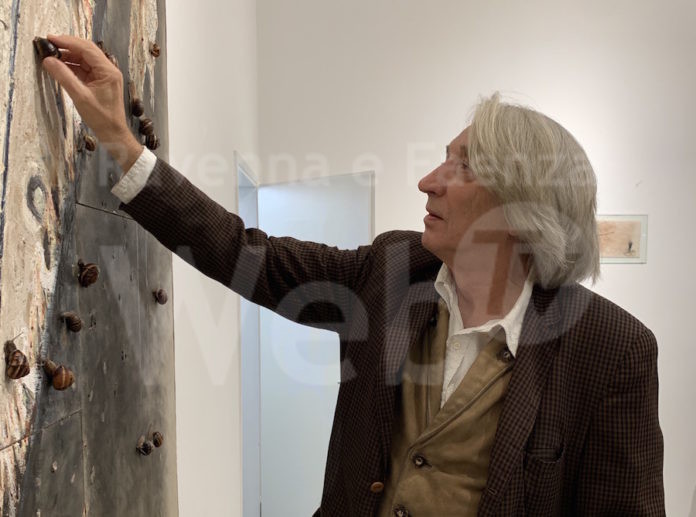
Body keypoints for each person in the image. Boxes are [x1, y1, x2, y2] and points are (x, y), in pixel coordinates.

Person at [41, 35, 665, 516]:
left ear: (522, 209)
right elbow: (244, 254)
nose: (427, 181)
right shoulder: (393, 271)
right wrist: (120, 141)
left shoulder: (611, 351)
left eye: (463, 166)